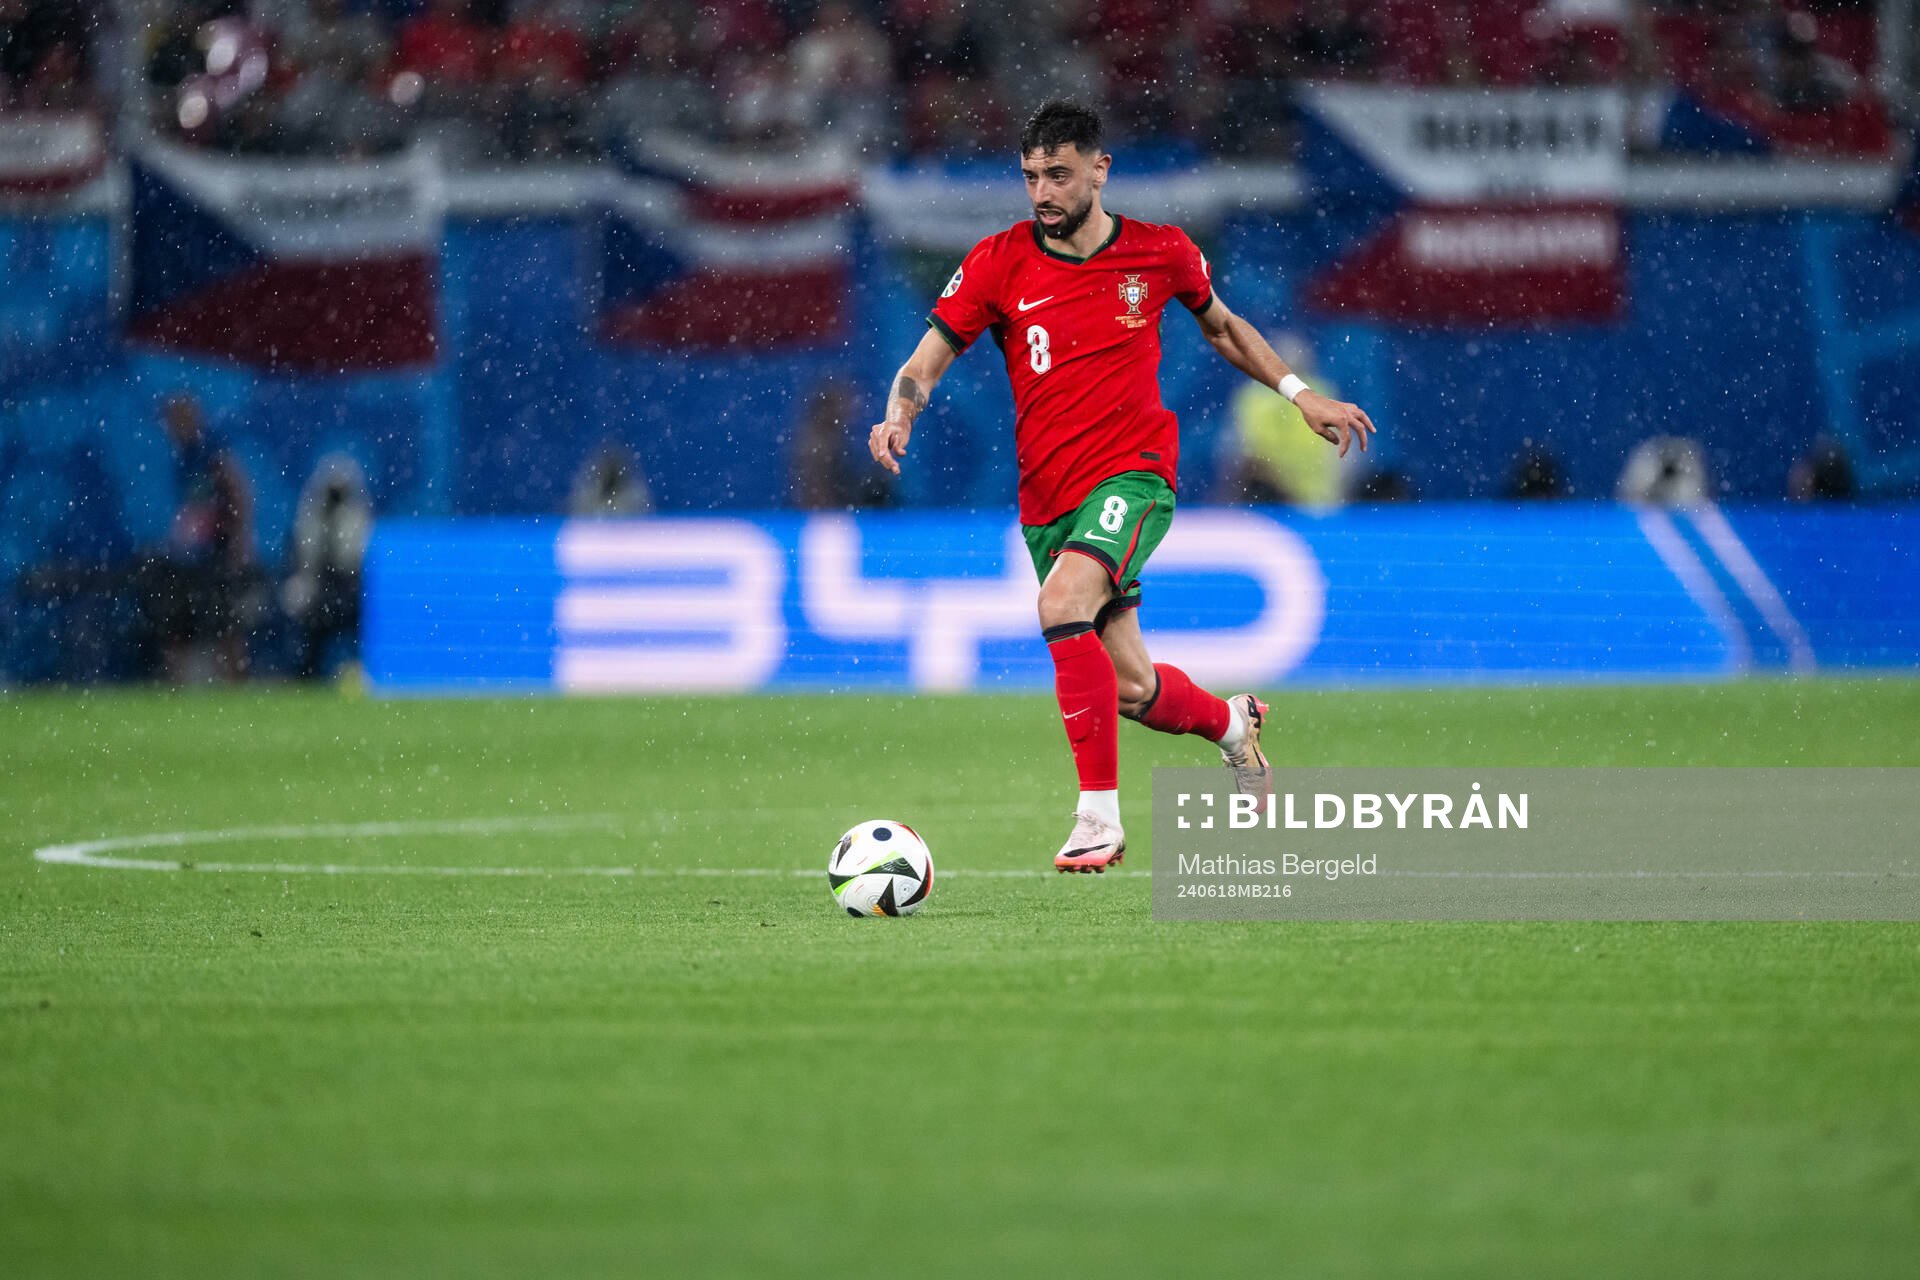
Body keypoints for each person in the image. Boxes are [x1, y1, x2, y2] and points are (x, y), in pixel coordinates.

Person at [867, 100, 1375, 873]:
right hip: (1048, 502)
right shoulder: (999, 261)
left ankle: (1097, 818)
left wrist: (1300, 393)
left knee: (1062, 604)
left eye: (1059, 175)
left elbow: (1225, 327)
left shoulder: (1161, 252)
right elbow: (926, 360)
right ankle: (1233, 727)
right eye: (1032, 176)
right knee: (1131, 688)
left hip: (1133, 475)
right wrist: (898, 412)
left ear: (1100, 170)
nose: (1043, 192)